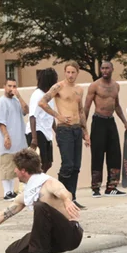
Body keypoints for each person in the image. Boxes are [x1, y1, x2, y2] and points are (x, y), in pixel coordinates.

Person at [0, 148, 83, 253]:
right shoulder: (27, 193)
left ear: (23, 171)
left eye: (16, 168)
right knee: (13, 252)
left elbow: (62, 191)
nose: (14, 171)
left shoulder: (48, 183)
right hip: (51, 237)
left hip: (70, 235)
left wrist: (67, 200)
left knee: (40, 206)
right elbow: (3, 214)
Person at [39, 61, 90, 209]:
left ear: (77, 73)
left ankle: (72, 197)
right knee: (67, 165)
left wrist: (85, 132)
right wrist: (58, 116)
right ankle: (60, 197)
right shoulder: (58, 87)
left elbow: (81, 111)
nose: (70, 75)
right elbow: (42, 102)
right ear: (64, 72)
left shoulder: (79, 89)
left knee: (76, 166)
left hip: (76, 129)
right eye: (68, 72)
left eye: (73, 72)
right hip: (64, 129)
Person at [83, 60, 127, 197]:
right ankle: (96, 188)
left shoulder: (116, 86)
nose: (105, 71)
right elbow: (86, 107)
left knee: (115, 154)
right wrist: (84, 129)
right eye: (103, 68)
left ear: (112, 69)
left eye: (107, 68)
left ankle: (111, 187)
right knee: (97, 154)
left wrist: (125, 122)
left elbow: (117, 106)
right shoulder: (95, 85)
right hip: (98, 121)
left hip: (111, 122)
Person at [0, 78, 29, 200]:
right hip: (8, 140)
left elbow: (26, 110)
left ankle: (15, 191)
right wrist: (6, 136)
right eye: (9, 86)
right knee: (7, 166)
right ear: (4, 86)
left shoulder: (16, 101)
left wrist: (19, 96)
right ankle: (7, 192)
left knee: (19, 167)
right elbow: (0, 122)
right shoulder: (1, 102)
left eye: (14, 86)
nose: (12, 89)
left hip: (20, 140)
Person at [26, 68, 59, 174]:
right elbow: (32, 116)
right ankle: (36, 182)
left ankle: (39, 180)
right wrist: (34, 138)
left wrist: (57, 132)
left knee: (48, 163)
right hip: (37, 132)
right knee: (40, 163)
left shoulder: (49, 96)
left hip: (46, 133)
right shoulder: (37, 95)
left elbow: (50, 116)